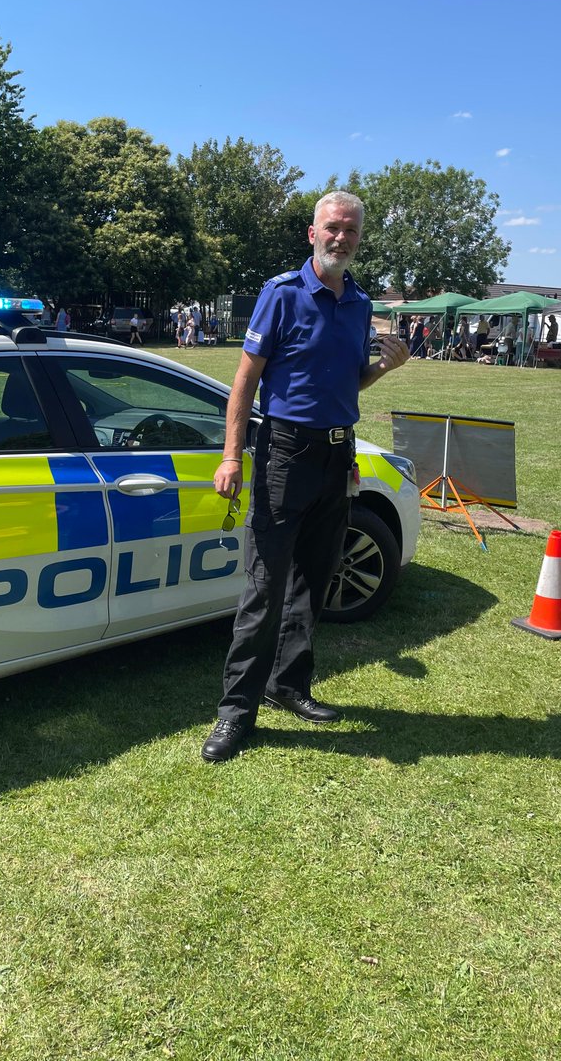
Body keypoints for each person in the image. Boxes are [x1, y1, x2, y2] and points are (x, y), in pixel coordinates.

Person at [201, 191, 410, 763]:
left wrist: (383, 369)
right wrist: (231, 456)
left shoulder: (361, 302)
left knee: (313, 581)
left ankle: (288, 684)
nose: (341, 238)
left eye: (351, 231)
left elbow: (350, 384)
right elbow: (244, 384)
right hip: (284, 455)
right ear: (312, 233)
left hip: (337, 458)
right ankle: (235, 713)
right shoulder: (282, 294)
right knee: (265, 586)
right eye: (333, 228)